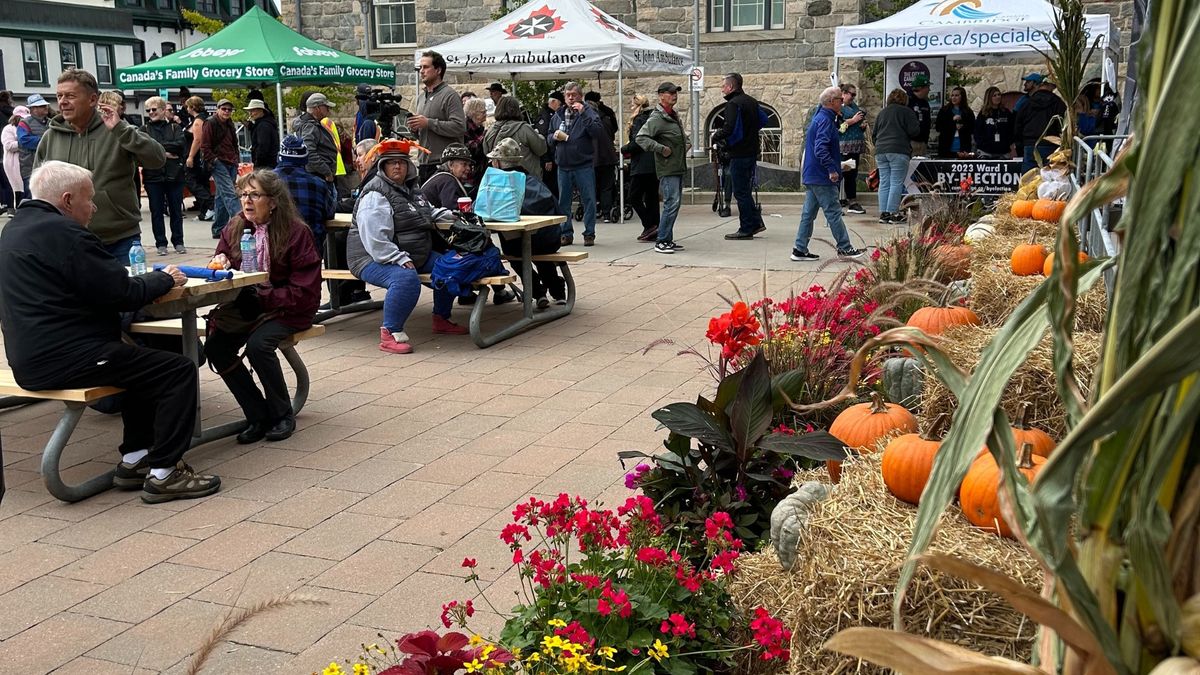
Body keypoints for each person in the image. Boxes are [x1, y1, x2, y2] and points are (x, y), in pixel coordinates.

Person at [0, 161, 220, 503]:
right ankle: (165, 473)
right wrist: (165, 278)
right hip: (68, 357)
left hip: (29, 357)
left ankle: (135, 458)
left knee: (140, 363)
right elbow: (122, 292)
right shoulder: (65, 234)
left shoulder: (13, 230)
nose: (95, 208)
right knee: (177, 369)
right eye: (91, 200)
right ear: (68, 199)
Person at [206, 170, 321, 444]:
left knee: (259, 345)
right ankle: (257, 413)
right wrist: (220, 261)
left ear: (272, 201)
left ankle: (282, 415)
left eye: (255, 194)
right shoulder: (235, 226)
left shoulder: (296, 232)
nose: (247, 201)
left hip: (290, 308)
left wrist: (265, 298)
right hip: (249, 306)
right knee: (216, 348)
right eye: (244, 194)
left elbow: (305, 291)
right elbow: (221, 258)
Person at [347, 139, 466, 354]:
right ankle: (390, 333)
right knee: (405, 279)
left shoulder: (412, 188)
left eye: (401, 162)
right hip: (370, 258)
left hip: (410, 253)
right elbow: (376, 241)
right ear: (382, 166)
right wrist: (400, 258)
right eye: (391, 162)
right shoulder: (375, 194)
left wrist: (454, 216)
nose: (397, 166)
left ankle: (441, 319)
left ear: (408, 165)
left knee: (451, 266)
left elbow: (426, 211)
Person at [35, 68, 165, 259]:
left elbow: (157, 159)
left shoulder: (117, 128)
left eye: (70, 96)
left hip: (119, 239)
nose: (62, 102)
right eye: (59, 96)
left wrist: (122, 130)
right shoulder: (51, 136)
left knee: (124, 289)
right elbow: (38, 189)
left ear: (93, 99)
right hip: (68, 240)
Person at [420, 143, 517, 307]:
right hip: (435, 239)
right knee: (485, 245)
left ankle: (472, 293)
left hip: (430, 237)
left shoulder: (439, 178)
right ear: (451, 164)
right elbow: (453, 213)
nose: (468, 168)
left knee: (479, 243)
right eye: (463, 164)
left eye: (469, 164)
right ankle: (498, 290)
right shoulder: (448, 180)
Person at [485, 137, 566, 309]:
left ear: (499, 163)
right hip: (550, 240)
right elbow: (558, 209)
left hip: (521, 243)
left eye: (493, 160)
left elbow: (486, 213)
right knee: (536, 249)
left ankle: (537, 292)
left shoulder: (499, 185)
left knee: (514, 251)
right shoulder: (533, 180)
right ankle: (558, 292)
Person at [791, 87, 865, 263]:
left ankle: (799, 249)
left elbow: (834, 131)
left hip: (813, 174)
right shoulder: (825, 120)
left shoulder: (823, 117)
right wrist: (832, 169)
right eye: (840, 99)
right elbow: (821, 148)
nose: (843, 101)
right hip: (822, 175)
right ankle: (845, 248)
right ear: (831, 102)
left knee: (808, 214)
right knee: (833, 212)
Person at [547, 81, 603, 246]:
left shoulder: (589, 112)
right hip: (563, 166)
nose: (571, 98)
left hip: (583, 165)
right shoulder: (558, 114)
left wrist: (584, 114)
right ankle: (566, 233)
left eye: (574, 95)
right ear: (564, 97)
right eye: (568, 95)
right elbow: (548, 136)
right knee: (564, 202)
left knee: (589, 200)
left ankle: (589, 233)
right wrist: (553, 138)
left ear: (581, 96)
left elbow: (597, 132)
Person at [636, 81, 688, 254]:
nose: (674, 95)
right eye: (670, 92)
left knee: (674, 204)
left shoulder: (672, 115)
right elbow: (641, 138)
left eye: (676, 92)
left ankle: (668, 239)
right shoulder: (657, 118)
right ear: (661, 95)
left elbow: (680, 138)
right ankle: (662, 240)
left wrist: (686, 144)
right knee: (671, 204)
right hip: (667, 168)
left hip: (678, 166)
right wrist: (661, 149)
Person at [714, 73, 767, 240]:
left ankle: (746, 228)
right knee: (745, 190)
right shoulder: (751, 101)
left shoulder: (732, 104)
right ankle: (756, 222)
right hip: (751, 151)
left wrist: (717, 136)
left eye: (723, 86)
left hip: (739, 153)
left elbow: (729, 129)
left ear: (730, 87)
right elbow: (763, 119)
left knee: (740, 192)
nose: (722, 88)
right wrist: (750, 131)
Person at [411, 50, 466, 184]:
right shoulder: (421, 97)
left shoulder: (450, 96)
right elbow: (423, 134)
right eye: (420, 68)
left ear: (438, 70)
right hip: (424, 164)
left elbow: (459, 127)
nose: (421, 71)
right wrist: (414, 129)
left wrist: (428, 123)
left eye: (426, 67)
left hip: (444, 164)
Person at [142, 96, 187, 255]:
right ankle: (161, 243)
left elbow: (180, 146)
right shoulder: (144, 129)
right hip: (153, 176)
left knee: (176, 210)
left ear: (163, 110)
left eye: (154, 109)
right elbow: (144, 148)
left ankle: (178, 242)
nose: (151, 113)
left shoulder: (175, 128)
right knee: (156, 211)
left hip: (174, 175)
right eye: (148, 110)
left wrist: (157, 150)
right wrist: (165, 152)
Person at [274, 134, 335, 251]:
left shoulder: (265, 183)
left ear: (280, 157)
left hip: (274, 251)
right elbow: (330, 213)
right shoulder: (318, 184)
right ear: (305, 159)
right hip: (310, 251)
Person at [872, 88, 920, 225]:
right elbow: (914, 131)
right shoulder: (907, 112)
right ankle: (893, 213)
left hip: (881, 150)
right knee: (896, 182)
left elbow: (874, 133)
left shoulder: (882, 113)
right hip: (899, 149)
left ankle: (884, 213)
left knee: (884, 182)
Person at [198, 98, 241, 240]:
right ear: (217, 109)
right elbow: (204, 146)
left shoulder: (230, 124)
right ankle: (243, 225)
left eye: (229, 109)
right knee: (230, 193)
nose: (227, 111)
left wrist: (236, 159)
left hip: (231, 161)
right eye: (224, 109)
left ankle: (218, 228)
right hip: (219, 162)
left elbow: (235, 143)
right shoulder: (210, 122)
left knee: (221, 196)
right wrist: (214, 161)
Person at [622, 94, 658, 241]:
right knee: (652, 198)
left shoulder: (639, 120)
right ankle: (655, 226)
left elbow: (638, 142)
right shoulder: (653, 118)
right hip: (654, 163)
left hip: (642, 164)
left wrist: (624, 149)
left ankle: (649, 225)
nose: (630, 108)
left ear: (637, 106)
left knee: (634, 196)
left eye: (632, 105)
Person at [484, 95, 547, 179]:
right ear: (517, 110)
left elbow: (486, 152)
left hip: (500, 180)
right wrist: (539, 136)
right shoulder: (524, 129)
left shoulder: (490, 131)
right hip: (525, 180)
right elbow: (541, 149)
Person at [1014, 79, 1067, 172]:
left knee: (1028, 180)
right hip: (1051, 145)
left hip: (1030, 145)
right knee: (1049, 180)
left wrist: (1020, 147)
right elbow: (1063, 126)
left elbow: (1018, 126)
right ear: (1051, 86)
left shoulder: (1026, 103)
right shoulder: (1059, 103)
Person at [585, 91, 620, 222]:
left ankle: (594, 210)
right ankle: (606, 213)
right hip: (608, 156)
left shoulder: (585, 118)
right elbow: (614, 131)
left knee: (591, 186)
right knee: (607, 186)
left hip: (591, 157)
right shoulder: (607, 116)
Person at [292, 92, 340, 184]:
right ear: (317, 108)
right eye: (326, 107)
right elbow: (309, 152)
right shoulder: (310, 126)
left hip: (317, 175)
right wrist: (327, 172)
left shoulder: (310, 124)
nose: (329, 110)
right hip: (319, 177)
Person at [182, 96, 214, 220]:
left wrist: (190, 157)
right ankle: (205, 211)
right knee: (201, 182)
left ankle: (210, 205)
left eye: (188, 106)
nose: (186, 109)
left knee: (191, 181)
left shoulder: (198, 121)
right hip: (199, 158)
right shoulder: (201, 119)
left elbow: (198, 139)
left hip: (195, 158)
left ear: (192, 107)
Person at [838, 83, 867, 215]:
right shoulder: (839, 108)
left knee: (852, 174)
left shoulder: (853, 107)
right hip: (845, 146)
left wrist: (862, 125)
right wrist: (853, 121)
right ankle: (841, 201)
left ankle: (851, 200)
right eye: (852, 94)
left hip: (855, 147)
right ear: (843, 93)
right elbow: (840, 127)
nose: (853, 98)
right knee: (844, 173)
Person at [17, 94, 51, 200]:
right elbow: (24, 140)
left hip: (48, 167)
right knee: (31, 197)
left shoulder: (51, 122)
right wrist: (45, 140)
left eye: (45, 105)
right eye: (41, 106)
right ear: (33, 109)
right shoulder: (24, 123)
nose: (45, 107)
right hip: (30, 168)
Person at [535, 91, 564, 198]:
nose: (561, 107)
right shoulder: (545, 116)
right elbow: (542, 139)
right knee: (551, 187)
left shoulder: (553, 115)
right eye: (560, 104)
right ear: (553, 102)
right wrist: (546, 159)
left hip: (554, 157)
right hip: (548, 158)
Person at [974, 86, 1015, 159]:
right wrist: (982, 144)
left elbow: (1012, 129)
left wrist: (1007, 142)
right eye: (994, 95)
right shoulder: (983, 113)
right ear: (989, 98)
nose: (997, 97)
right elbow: (977, 131)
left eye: (999, 95)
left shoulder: (1006, 112)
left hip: (1003, 151)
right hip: (986, 151)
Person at [935, 86, 975, 158]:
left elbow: (972, 127)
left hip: (963, 148)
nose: (954, 98)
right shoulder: (944, 110)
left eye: (956, 95)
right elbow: (938, 127)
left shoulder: (968, 112)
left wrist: (962, 123)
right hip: (947, 147)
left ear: (962, 97)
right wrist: (952, 122)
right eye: (952, 95)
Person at [2, 106, 28, 212]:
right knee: (16, 187)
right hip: (13, 162)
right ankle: (16, 209)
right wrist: (25, 142)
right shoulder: (8, 129)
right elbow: (8, 145)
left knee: (25, 186)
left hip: (26, 161)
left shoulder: (27, 127)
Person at [245, 99, 279, 170]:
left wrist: (257, 165)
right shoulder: (266, 123)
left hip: (264, 166)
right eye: (250, 111)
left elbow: (263, 147)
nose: (250, 114)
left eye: (253, 110)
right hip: (269, 164)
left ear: (261, 111)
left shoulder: (263, 125)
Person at [462, 97, 489, 186]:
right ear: (473, 113)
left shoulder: (480, 128)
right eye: (483, 112)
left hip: (480, 172)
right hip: (468, 174)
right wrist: (484, 136)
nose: (486, 114)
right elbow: (471, 150)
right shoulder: (465, 128)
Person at [907, 74, 933, 157]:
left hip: (922, 142)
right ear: (922, 88)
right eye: (928, 87)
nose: (929, 90)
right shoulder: (908, 100)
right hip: (910, 141)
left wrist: (925, 140)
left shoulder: (925, 102)